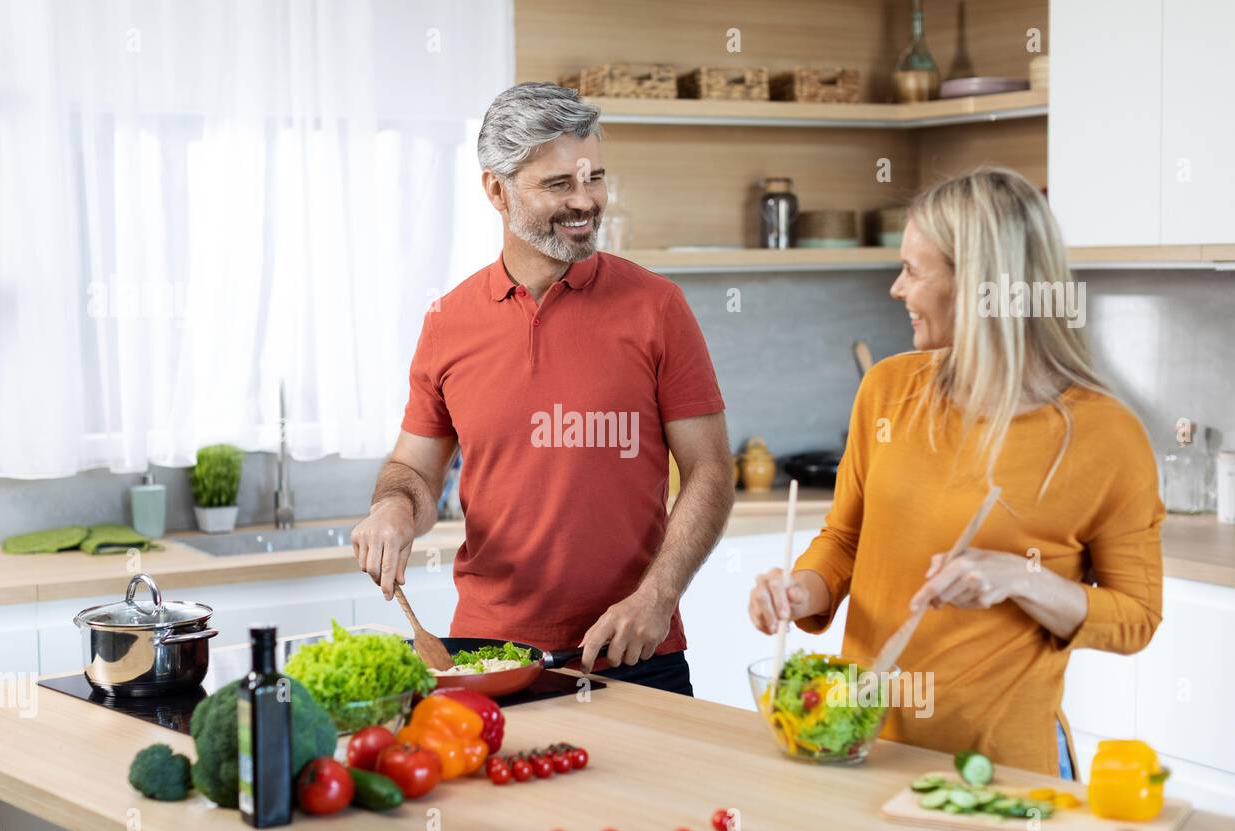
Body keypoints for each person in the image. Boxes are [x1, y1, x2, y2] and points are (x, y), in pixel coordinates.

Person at [748, 167, 1164, 778]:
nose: (896, 289)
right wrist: (801, 590)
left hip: (1004, 771)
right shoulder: (888, 389)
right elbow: (847, 539)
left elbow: (1135, 618)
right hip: (862, 749)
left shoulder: (1105, 435)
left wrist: (1020, 580)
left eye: (914, 271)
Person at [353, 83, 734, 694]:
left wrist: (659, 595)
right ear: (495, 190)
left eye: (595, 178)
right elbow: (413, 470)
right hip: (486, 657)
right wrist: (394, 508)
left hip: (636, 652)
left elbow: (711, 471)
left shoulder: (658, 306)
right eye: (559, 185)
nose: (585, 202)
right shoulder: (448, 321)